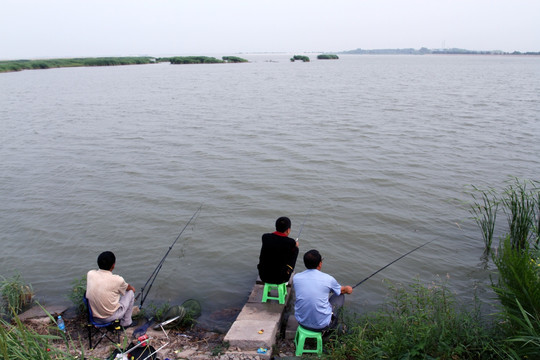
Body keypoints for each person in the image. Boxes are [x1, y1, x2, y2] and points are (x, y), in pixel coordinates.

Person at [293, 249, 353, 333]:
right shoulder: (328, 279)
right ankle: (333, 326)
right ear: (320, 264)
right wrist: (348, 289)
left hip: (301, 322)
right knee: (340, 295)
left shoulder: (296, 278)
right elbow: (343, 290)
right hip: (322, 325)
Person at [86, 251, 136, 327]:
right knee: (130, 293)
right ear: (113, 265)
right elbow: (130, 288)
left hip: (93, 317)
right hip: (109, 318)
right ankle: (126, 322)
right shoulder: (118, 280)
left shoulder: (90, 274)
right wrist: (132, 289)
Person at [257, 216, 299, 284]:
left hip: (264, 276)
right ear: (288, 230)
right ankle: (288, 272)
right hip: (281, 279)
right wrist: (296, 246)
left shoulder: (265, 237)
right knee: (296, 250)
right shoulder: (291, 242)